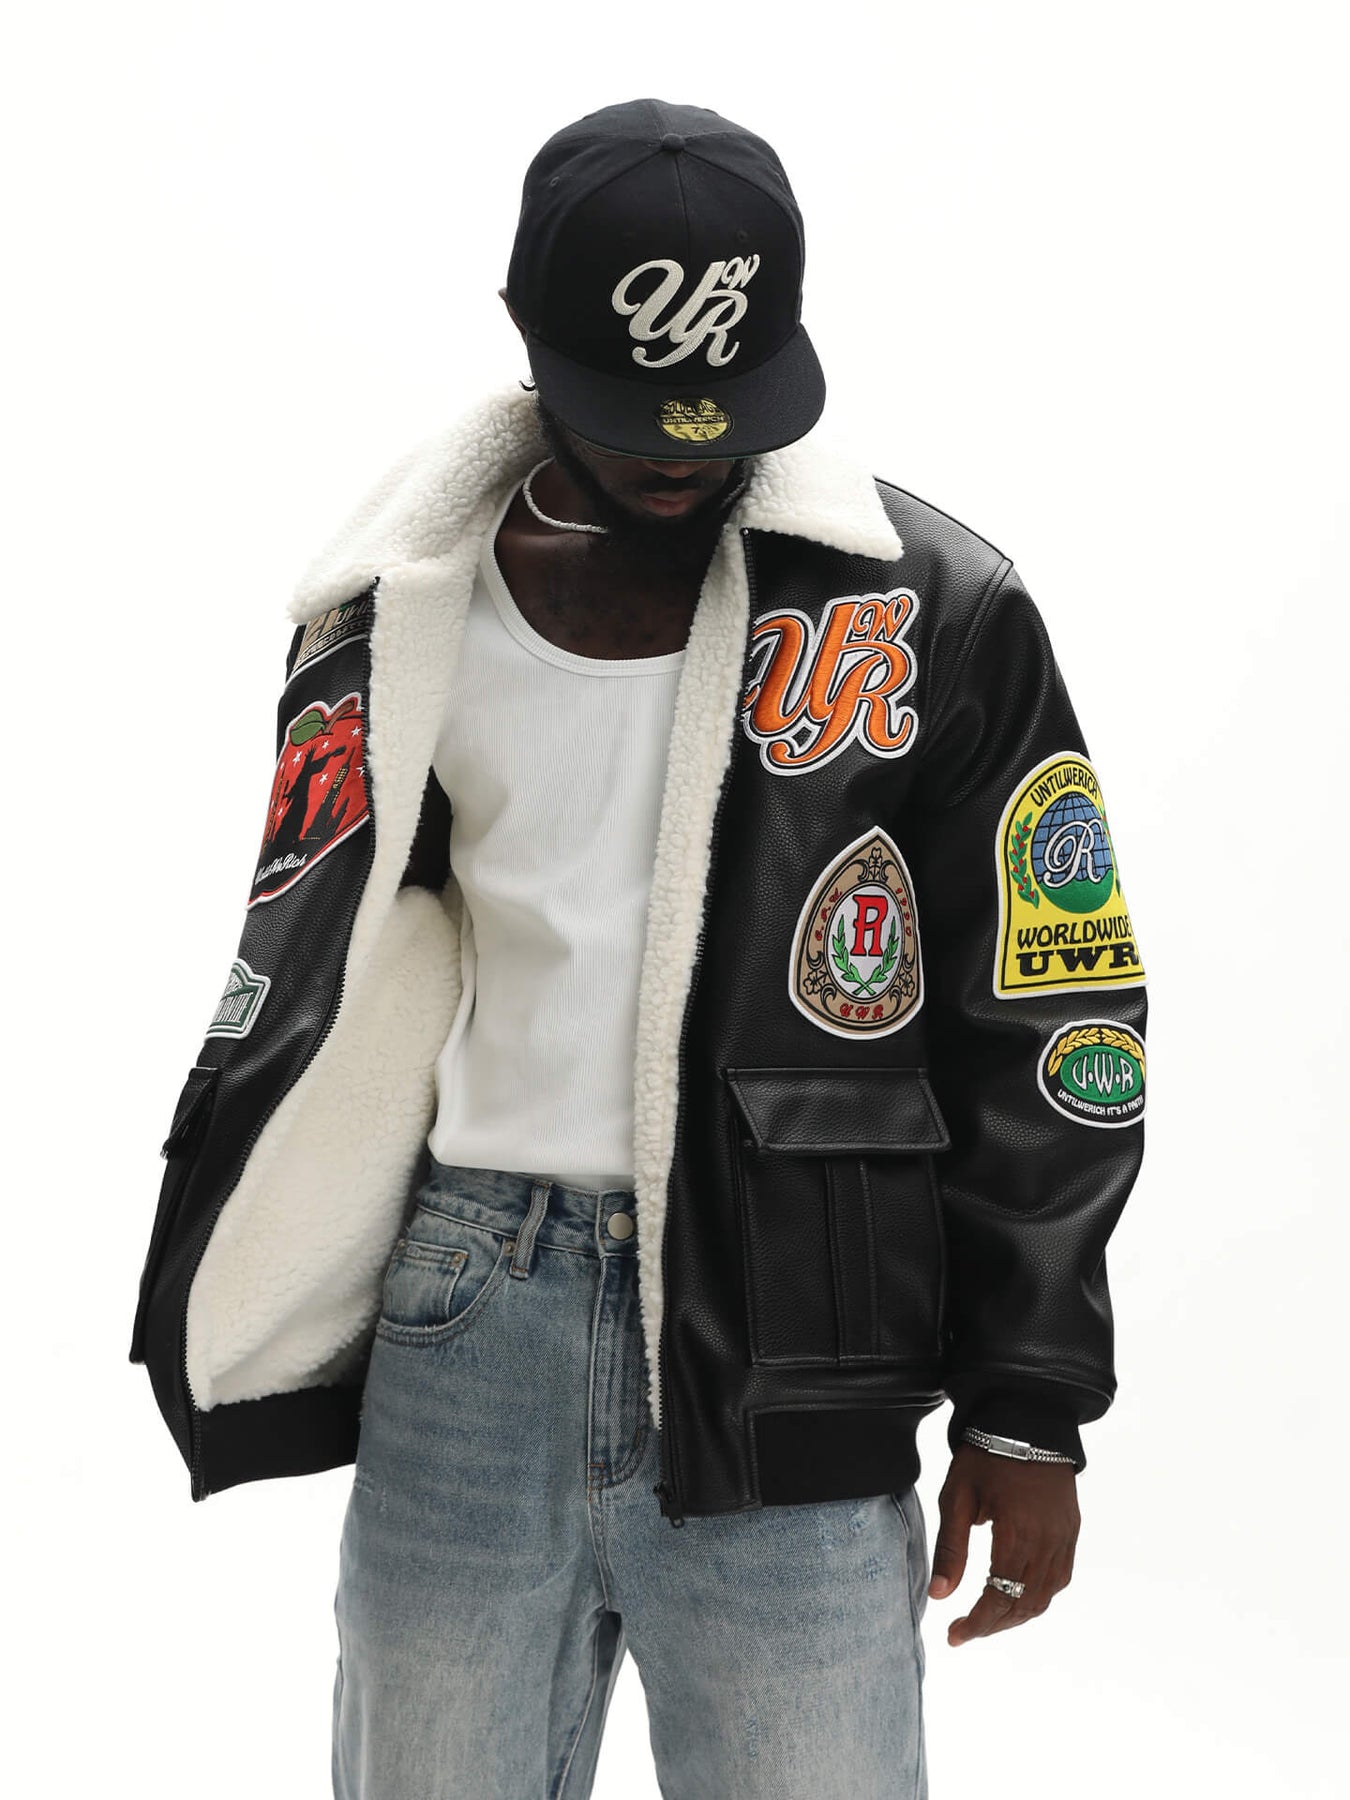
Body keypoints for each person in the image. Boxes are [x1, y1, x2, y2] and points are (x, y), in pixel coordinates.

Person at [129, 97, 1148, 1799]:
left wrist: (1025, 1405)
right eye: (631, 411)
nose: (681, 452)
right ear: (530, 337)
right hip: (465, 1313)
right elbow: (340, 964)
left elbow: (1053, 1014)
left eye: (723, 409)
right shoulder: (394, 610)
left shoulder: (932, 608)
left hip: (798, 1335)